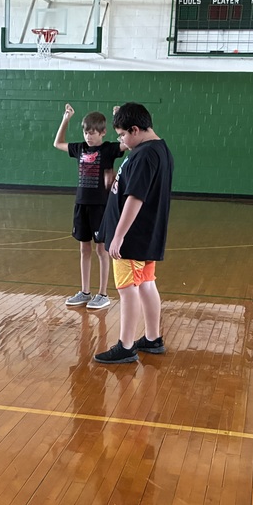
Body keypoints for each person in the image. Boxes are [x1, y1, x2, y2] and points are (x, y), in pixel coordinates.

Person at [94, 102, 174, 364]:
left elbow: (136, 197)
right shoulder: (157, 149)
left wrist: (118, 236)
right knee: (147, 284)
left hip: (132, 238)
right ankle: (152, 338)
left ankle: (126, 346)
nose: (121, 141)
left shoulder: (145, 155)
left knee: (128, 289)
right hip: (145, 236)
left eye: (122, 135)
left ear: (136, 129)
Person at [53, 103, 124, 310]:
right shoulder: (80, 149)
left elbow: (127, 143)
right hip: (81, 205)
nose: (88, 136)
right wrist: (66, 118)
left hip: (100, 207)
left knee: (101, 250)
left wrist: (119, 118)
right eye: (86, 132)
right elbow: (58, 143)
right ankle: (85, 292)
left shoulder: (109, 149)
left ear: (102, 132)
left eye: (92, 133)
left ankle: (103, 294)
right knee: (84, 249)